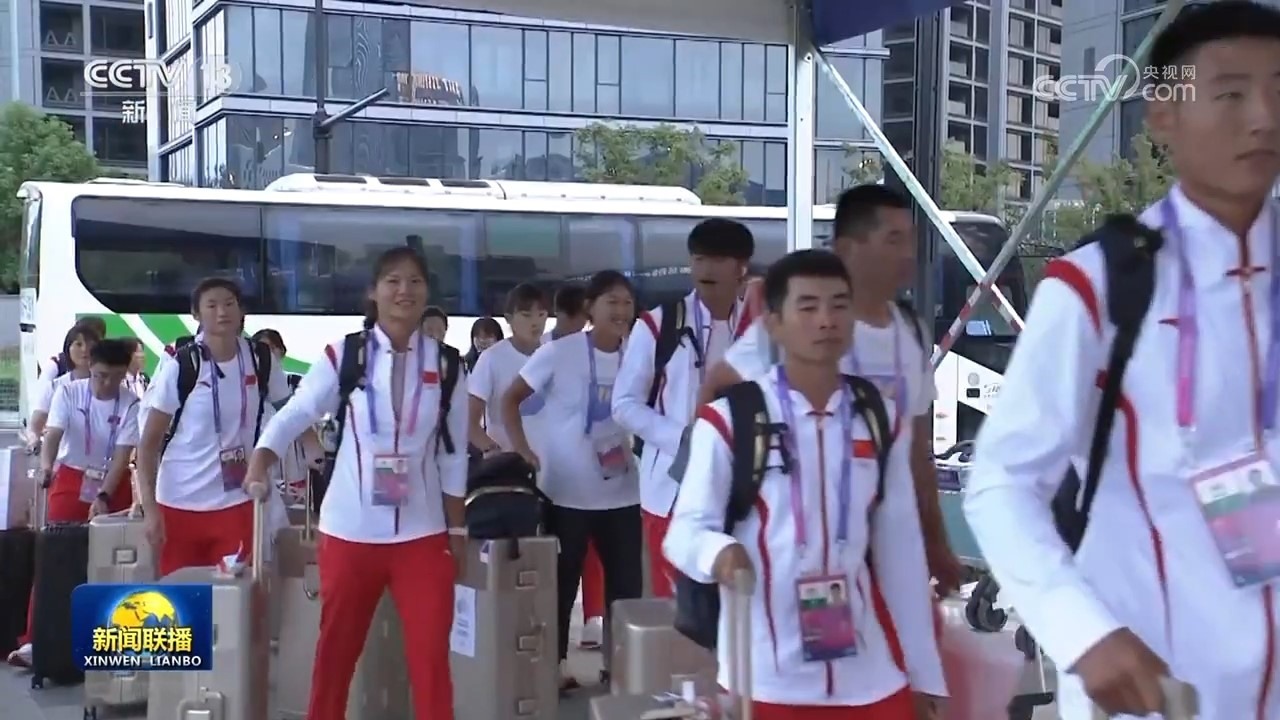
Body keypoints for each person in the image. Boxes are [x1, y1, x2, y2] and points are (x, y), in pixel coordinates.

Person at [963, 4, 1280, 718]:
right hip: (1156, 692)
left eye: (1279, 89)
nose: (1262, 118)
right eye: (1231, 92)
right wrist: (1083, 634)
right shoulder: (1101, 286)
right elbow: (1002, 482)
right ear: (1164, 115)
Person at [663, 250, 945, 720]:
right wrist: (719, 551)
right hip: (767, 680)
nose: (826, 320)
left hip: (870, 676)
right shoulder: (731, 420)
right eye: (808, 307)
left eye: (839, 305)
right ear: (773, 324)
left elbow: (901, 549)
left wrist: (924, 673)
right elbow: (684, 532)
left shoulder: (880, 418)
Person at [701, 185, 966, 597]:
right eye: (893, 239)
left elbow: (916, 450)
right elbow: (717, 385)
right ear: (848, 249)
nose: (907, 253)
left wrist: (935, 541)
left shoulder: (910, 332)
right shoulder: (794, 329)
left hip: (883, 544)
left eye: (910, 239)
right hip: (796, 550)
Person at [244, 246, 467, 720]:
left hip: (422, 535)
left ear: (427, 291)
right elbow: (299, 411)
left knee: (431, 659)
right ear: (373, 291)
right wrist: (262, 458)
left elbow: (453, 455)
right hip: (350, 533)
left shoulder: (448, 365)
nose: (404, 290)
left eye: (415, 281)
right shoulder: (344, 355)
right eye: (393, 280)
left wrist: (457, 531)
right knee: (336, 654)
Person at [502, 270, 642, 690]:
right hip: (566, 493)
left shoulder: (640, 353)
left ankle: (619, 667)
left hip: (624, 493)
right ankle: (556, 665)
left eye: (627, 302)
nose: (620, 310)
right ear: (590, 308)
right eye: (611, 302)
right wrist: (523, 451)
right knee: (561, 586)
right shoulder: (559, 352)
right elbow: (511, 399)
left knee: (626, 588)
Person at [612, 217, 756, 598]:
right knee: (675, 608)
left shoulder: (760, 329)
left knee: (737, 600)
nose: (706, 269)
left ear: (742, 268)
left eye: (718, 259)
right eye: (698, 258)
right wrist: (684, 438)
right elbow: (624, 404)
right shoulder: (659, 324)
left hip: (743, 486)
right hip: (672, 489)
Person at [134, 278, 290, 577]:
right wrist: (149, 509)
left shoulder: (261, 359)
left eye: (230, 304)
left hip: (237, 501)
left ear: (241, 310)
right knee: (181, 598)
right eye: (212, 305)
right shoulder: (183, 364)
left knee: (236, 596)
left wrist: (313, 447)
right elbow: (149, 443)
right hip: (179, 502)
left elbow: (291, 412)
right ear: (196, 314)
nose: (222, 312)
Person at [7, 338, 140, 668]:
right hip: (71, 477)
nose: (106, 384)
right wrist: (46, 466)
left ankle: (107, 639)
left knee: (112, 562)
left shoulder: (131, 404)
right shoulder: (68, 392)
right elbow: (53, 434)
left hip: (112, 483)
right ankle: (36, 640)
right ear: (89, 368)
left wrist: (104, 495)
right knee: (52, 557)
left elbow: (122, 456)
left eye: (115, 377)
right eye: (100, 376)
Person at [27, 324, 102, 450]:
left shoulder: (108, 384)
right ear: (68, 349)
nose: (85, 349)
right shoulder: (56, 386)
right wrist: (34, 440)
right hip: (63, 457)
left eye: (90, 344)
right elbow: (35, 425)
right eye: (78, 344)